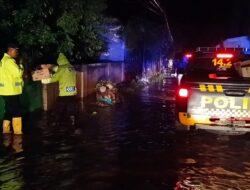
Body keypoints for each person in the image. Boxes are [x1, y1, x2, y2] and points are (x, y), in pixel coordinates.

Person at [41, 53, 77, 125]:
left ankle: (56, 122)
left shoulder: (61, 69)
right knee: (71, 106)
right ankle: (72, 120)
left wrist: (44, 80)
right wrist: (51, 67)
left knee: (59, 107)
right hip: (73, 91)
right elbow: (60, 70)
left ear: (59, 61)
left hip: (64, 93)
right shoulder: (71, 67)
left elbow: (54, 78)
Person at [0, 43, 24, 135]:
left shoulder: (3, 60)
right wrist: (21, 66)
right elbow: (18, 73)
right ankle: (18, 133)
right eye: (15, 51)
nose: (17, 53)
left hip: (6, 91)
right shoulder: (9, 61)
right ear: (10, 50)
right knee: (16, 111)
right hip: (11, 91)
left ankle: (6, 131)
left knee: (9, 110)